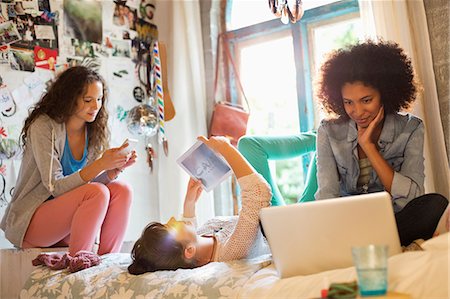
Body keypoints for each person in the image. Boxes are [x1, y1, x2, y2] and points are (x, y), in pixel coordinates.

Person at [314, 39, 448, 246]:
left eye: (366, 100)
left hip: (394, 220)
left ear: (384, 94)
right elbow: (327, 196)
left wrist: (369, 147)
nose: (357, 112)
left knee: (435, 204)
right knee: (277, 224)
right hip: (348, 224)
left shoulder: (411, 129)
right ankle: (372, 244)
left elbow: (410, 199)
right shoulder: (328, 131)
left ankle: (366, 244)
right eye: (348, 102)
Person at [1, 66, 136, 256]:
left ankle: (107, 263)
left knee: (122, 190)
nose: (96, 106)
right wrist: (101, 164)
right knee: (96, 192)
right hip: (31, 223)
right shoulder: (43, 126)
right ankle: (78, 264)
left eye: (99, 99)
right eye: (88, 100)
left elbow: (81, 190)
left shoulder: (93, 133)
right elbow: (55, 187)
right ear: (68, 98)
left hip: (67, 225)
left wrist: (111, 173)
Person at [128, 136, 272, 274]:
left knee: (248, 144)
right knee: (250, 145)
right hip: (271, 217)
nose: (173, 219)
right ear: (189, 251)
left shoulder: (200, 243)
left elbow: (189, 230)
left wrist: (189, 202)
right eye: (172, 227)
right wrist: (225, 148)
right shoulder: (232, 251)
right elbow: (258, 193)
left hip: (267, 213)